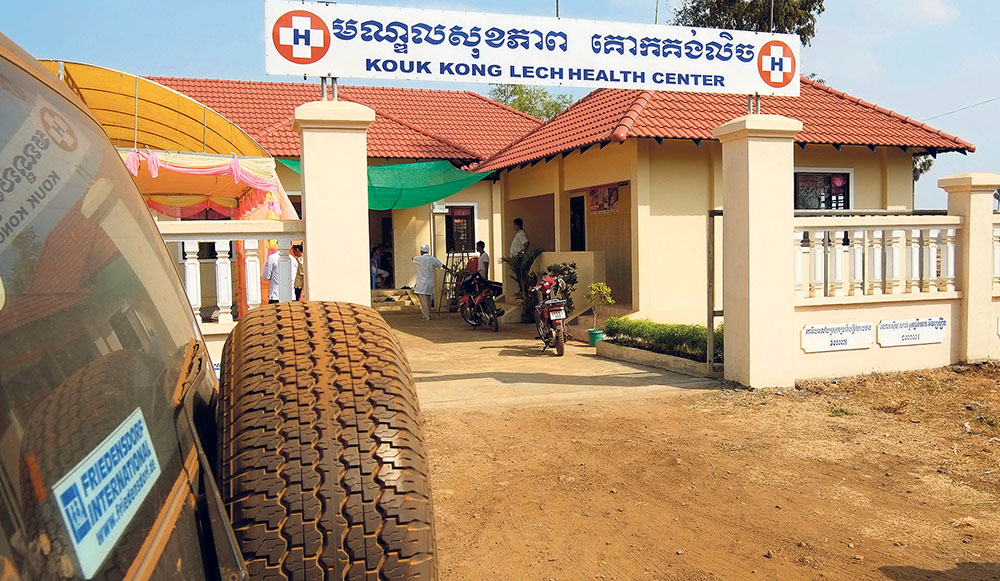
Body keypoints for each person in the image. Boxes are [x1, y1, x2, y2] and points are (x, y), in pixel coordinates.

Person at [412, 243, 444, 321]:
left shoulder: (420, 258)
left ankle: (426, 316)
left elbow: (413, 258)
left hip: (422, 283)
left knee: (423, 301)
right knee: (428, 300)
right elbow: (441, 265)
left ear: (421, 251)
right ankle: (428, 314)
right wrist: (449, 270)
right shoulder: (432, 259)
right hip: (429, 282)